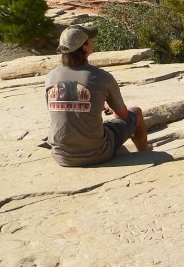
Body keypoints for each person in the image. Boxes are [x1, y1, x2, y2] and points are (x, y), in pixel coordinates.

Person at [45, 24, 148, 167]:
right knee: (135, 112)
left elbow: (64, 108)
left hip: (61, 156)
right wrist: (110, 105)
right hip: (97, 153)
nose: (92, 41)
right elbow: (123, 115)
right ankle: (144, 154)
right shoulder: (101, 77)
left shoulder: (51, 77)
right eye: (89, 39)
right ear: (85, 48)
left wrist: (97, 103)